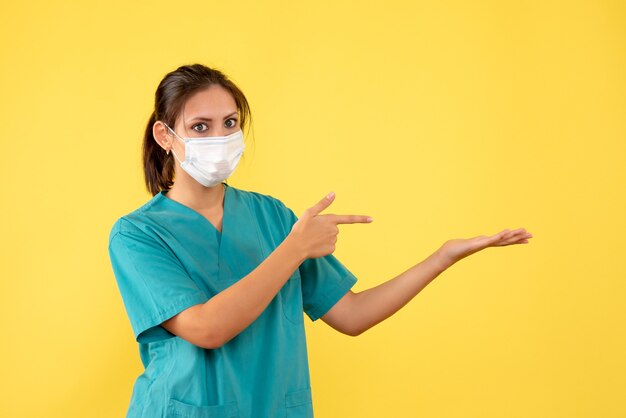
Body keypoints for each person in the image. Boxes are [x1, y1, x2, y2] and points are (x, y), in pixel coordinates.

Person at [107, 63, 533, 418]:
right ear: (166, 137)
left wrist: (442, 257)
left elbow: (352, 314)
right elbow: (206, 328)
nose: (219, 138)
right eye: (200, 126)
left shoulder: (272, 216)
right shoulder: (139, 234)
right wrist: (294, 250)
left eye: (230, 123)